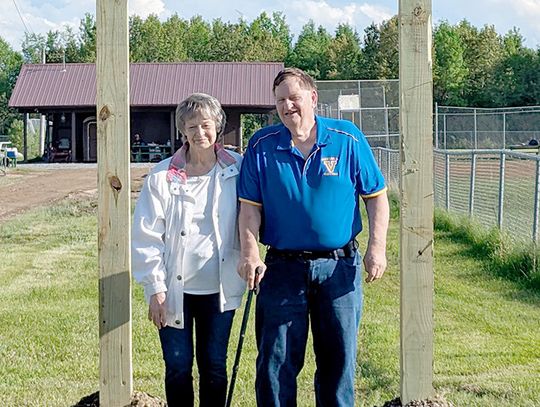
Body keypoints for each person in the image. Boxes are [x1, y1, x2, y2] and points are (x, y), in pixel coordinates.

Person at [237, 67, 390, 406]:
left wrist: (376, 248)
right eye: (280, 100)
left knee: (338, 361)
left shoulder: (346, 138)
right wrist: (250, 252)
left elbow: (376, 197)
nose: (288, 105)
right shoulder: (261, 145)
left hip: (339, 267)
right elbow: (249, 209)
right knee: (276, 363)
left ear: (313, 98)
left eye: (294, 97)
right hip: (281, 269)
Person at [131, 93, 245, 407]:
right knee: (178, 367)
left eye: (206, 125)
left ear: (217, 127)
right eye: (191, 126)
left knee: (214, 367)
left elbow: (253, 215)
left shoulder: (238, 169)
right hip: (174, 290)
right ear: (183, 131)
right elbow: (146, 236)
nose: (199, 133)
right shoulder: (162, 176)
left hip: (219, 289)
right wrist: (155, 288)